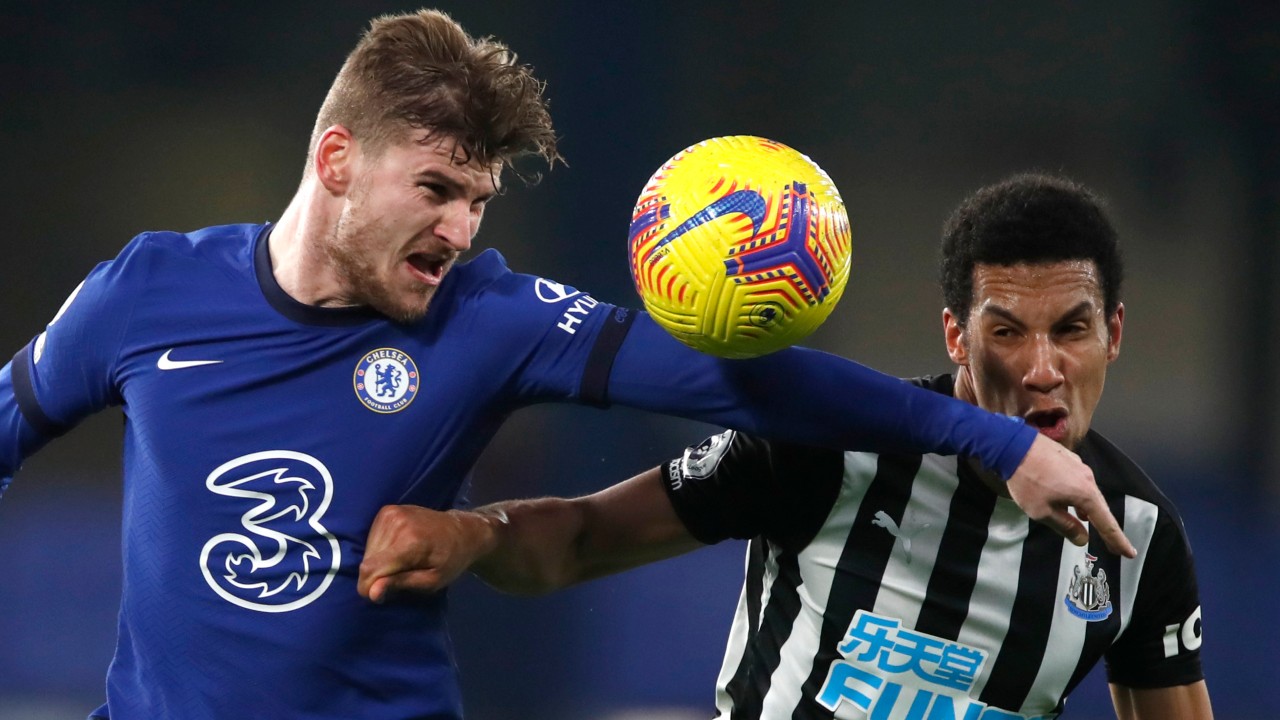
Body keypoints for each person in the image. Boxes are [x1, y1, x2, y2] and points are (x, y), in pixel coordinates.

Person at [0, 8, 1130, 719]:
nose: (459, 231)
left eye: (479, 202)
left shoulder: (488, 315)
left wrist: (985, 438)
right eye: (435, 190)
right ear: (336, 160)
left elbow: (744, 385)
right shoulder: (146, 294)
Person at [358, 174, 1210, 719]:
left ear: (1115, 333)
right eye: (1006, 333)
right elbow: (580, 539)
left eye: (1072, 330)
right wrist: (467, 534)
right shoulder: (832, 449)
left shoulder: (1139, 534)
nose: (1042, 369)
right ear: (956, 336)